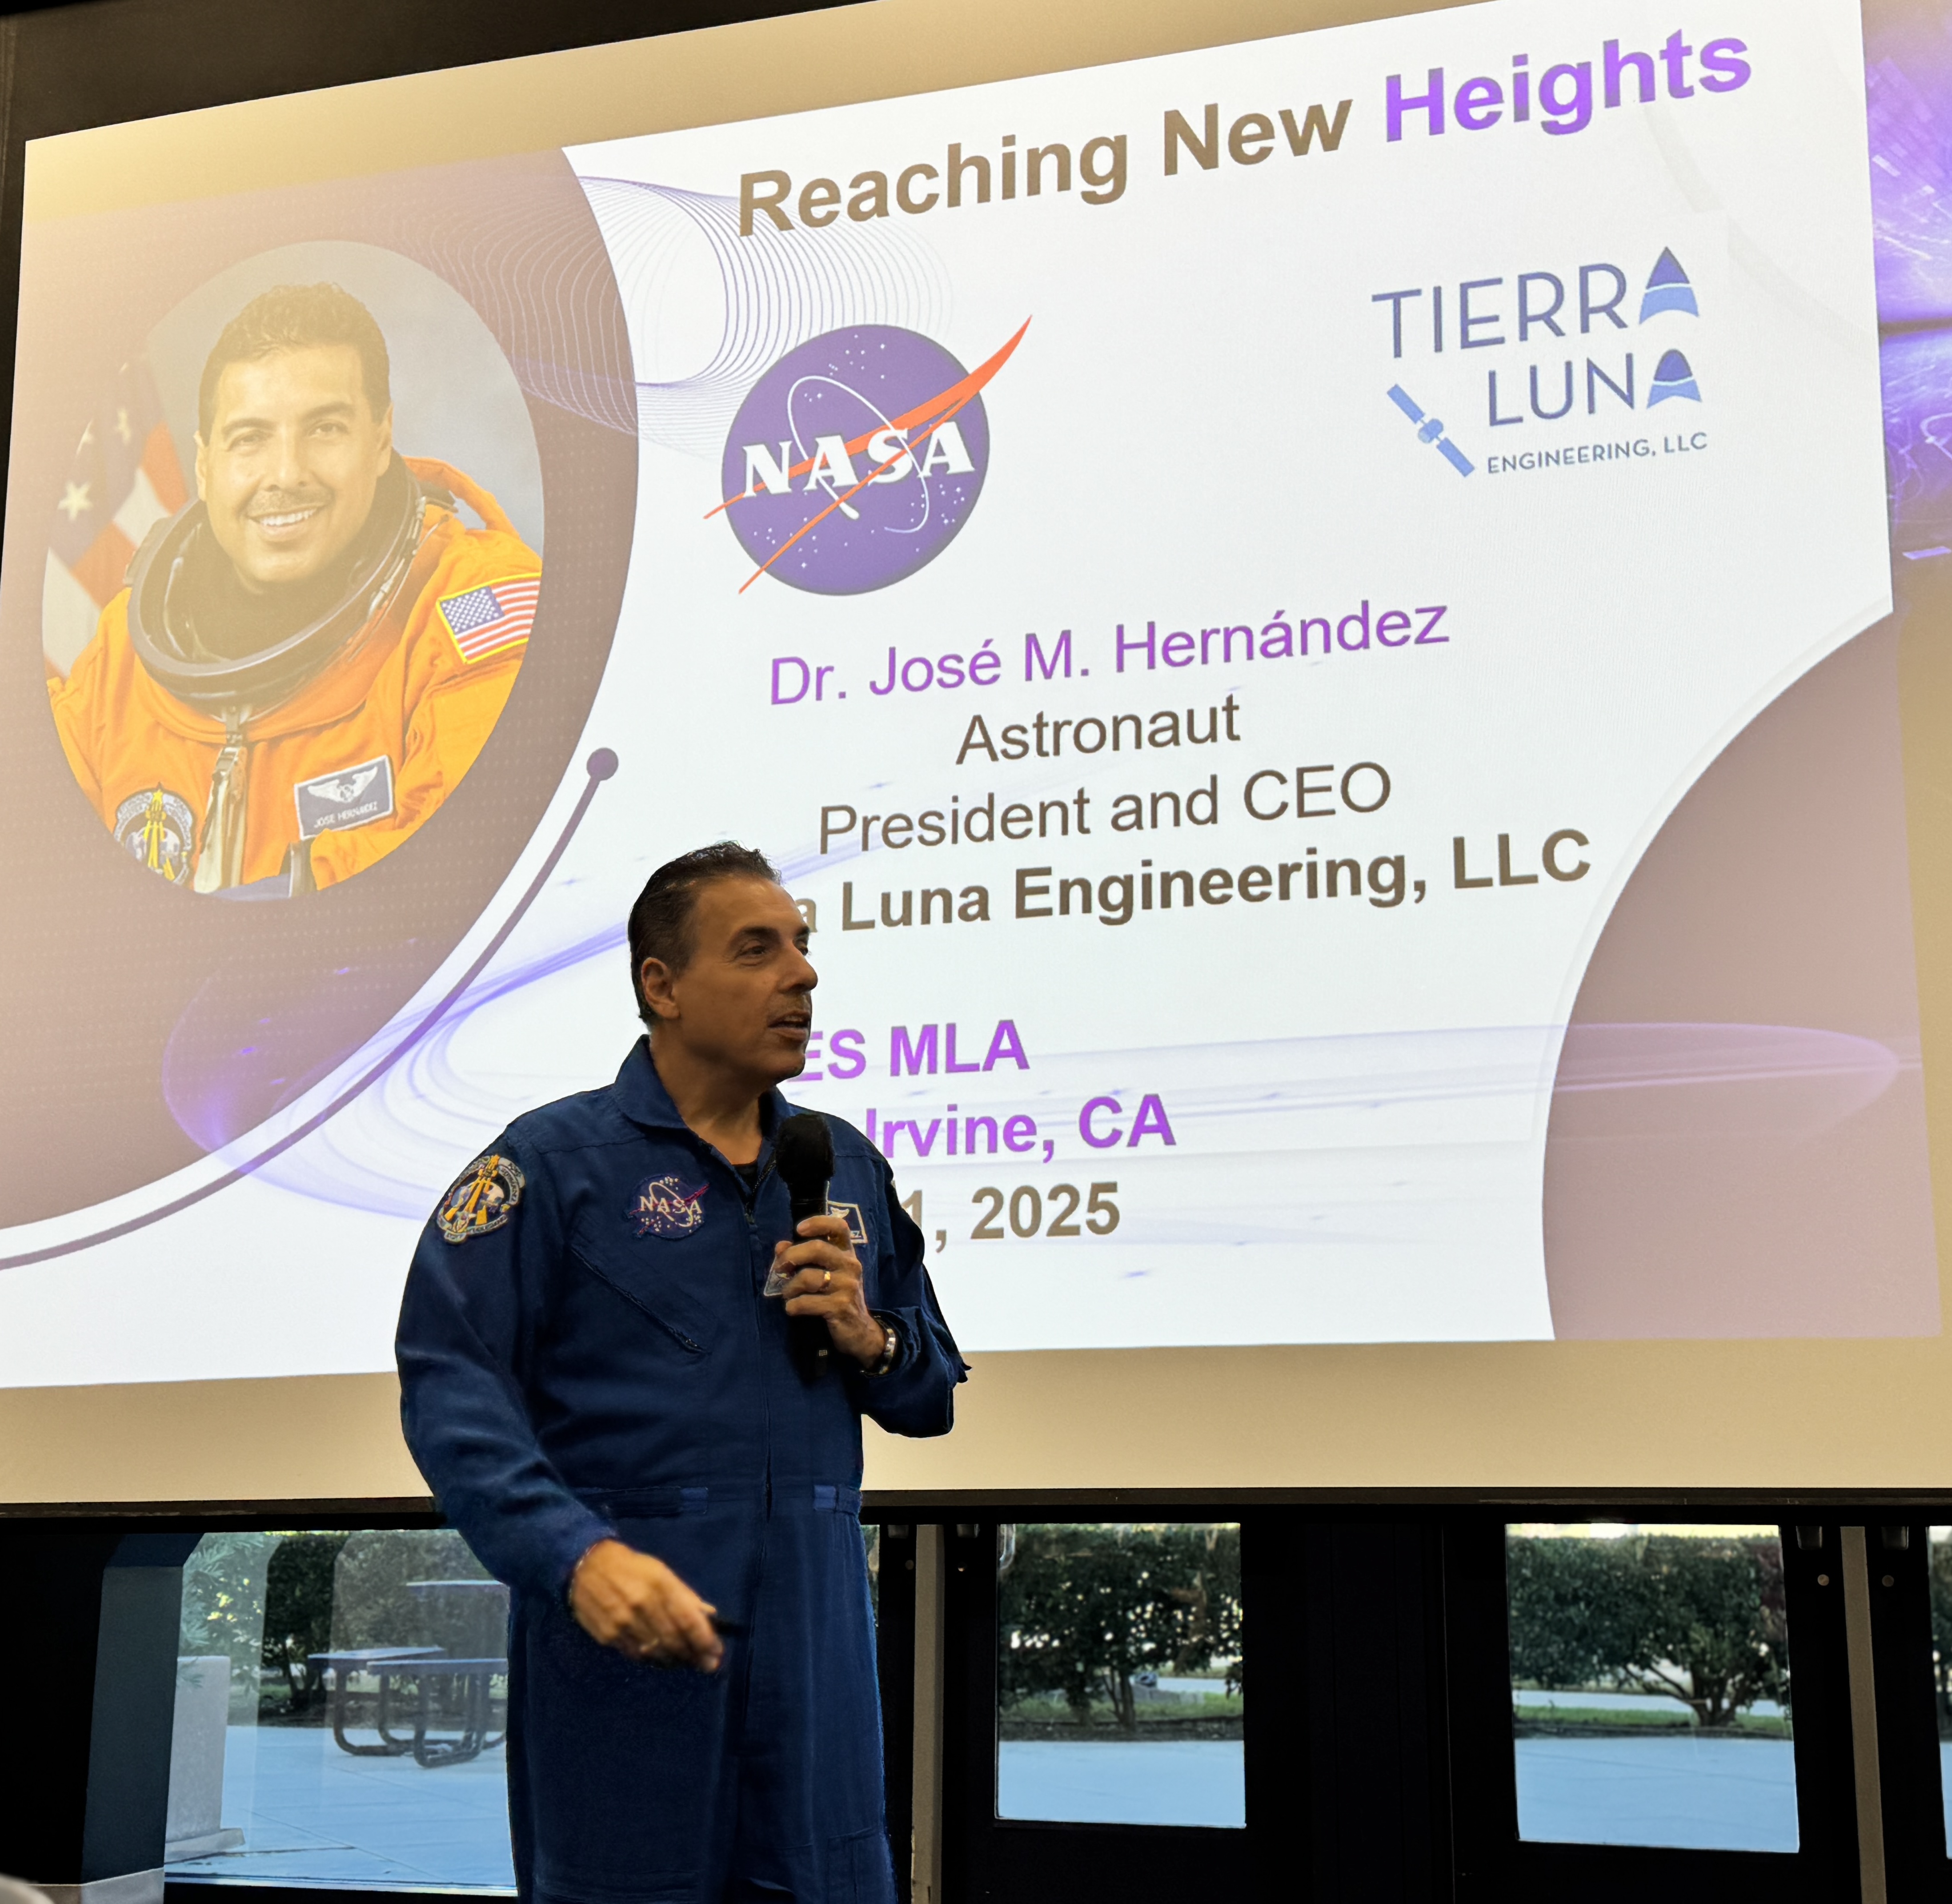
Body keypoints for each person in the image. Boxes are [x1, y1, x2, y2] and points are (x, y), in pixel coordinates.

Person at [395, 842, 965, 1904]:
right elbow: (450, 1382)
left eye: (802, 947)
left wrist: (870, 1335)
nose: (802, 974)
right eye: (757, 949)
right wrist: (571, 1554)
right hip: (631, 1646)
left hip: (817, 1651)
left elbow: (929, 1391)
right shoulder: (552, 1164)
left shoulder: (842, 1163)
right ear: (662, 985)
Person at [48, 281, 541, 896]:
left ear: (381, 440)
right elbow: (34, 848)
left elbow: (466, 862)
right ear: (205, 465)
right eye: (249, 438)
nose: (285, 474)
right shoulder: (126, 649)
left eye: (325, 428)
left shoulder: (474, 612)